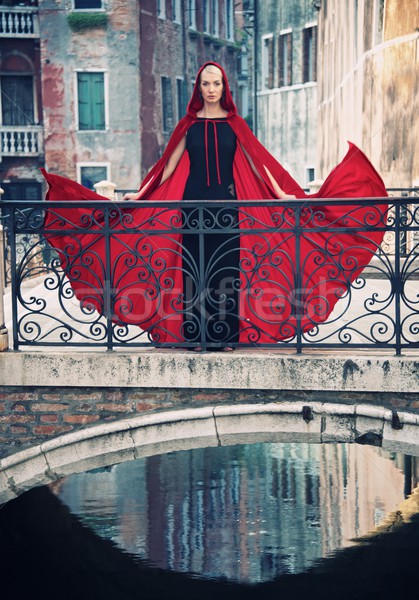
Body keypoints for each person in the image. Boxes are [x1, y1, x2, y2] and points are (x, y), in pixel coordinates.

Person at [41, 62, 388, 350]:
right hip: (192, 210)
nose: (211, 89)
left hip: (227, 209)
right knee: (193, 272)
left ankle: (222, 335)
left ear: (224, 87)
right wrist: (141, 195)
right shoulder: (188, 126)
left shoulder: (236, 126)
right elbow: (167, 168)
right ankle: (195, 335)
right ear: (199, 87)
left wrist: (282, 196)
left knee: (225, 272)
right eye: (206, 83)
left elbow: (256, 164)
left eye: (216, 83)